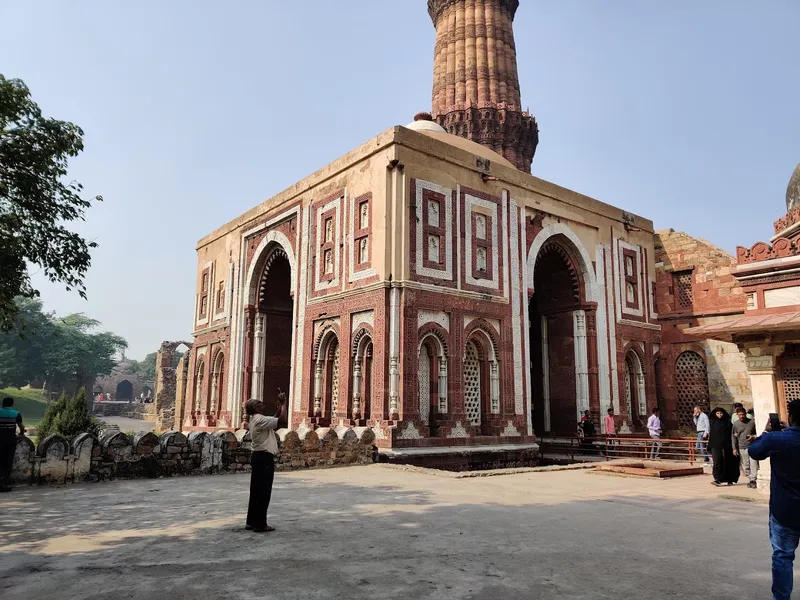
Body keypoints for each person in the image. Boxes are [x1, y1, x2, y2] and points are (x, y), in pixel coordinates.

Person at [748, 399, 800, 600]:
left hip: (784, 509)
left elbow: (754, 451)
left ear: (791, 417)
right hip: (785, 509)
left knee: (783, 556)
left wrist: (769, 432)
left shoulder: (777, 439)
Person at [245, 393, 287, 533]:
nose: (263, 404)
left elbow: (273, 420)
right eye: (259, 403)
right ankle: (260, 524)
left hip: (257, 456)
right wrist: (283, 404)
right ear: (256, 408)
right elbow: (282, 421)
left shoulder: (255, 419)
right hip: (264, 458)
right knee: (264, 492)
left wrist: (279, 407)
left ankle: (251, 522)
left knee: (256, 491)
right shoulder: (260, 420)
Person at [708, 407, 738, 486]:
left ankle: (729, 479)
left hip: (727, 445)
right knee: (717, 462)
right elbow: (712, 435)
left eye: (721, 413)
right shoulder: (713, 422)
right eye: (717, 413)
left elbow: (731, 435)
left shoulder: (728, 423)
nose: (719, 415)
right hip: (716, 446)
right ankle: (717, 479)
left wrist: (733, 446)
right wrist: (709, 447)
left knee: (728, 462)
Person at [0, 397, 25, 492]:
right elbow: (21, 427)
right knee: (7, 461)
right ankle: (4, 483)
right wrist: (22, 433)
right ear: (12, 404)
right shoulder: (16, 414)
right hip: (10, 440)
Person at [731, 406, 758, 489]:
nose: (741, 416)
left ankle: (753, 480)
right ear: (737, 415)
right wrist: (734, 448)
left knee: (754, 464)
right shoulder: (736, 424)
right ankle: (750, 479)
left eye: (743, 414)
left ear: (746, 414)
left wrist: (753, 437)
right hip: (741, 447)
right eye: (740, 415)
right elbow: (733, 437)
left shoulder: (752, 422)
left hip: (752, 446)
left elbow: (759, 432)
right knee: (745, 466)